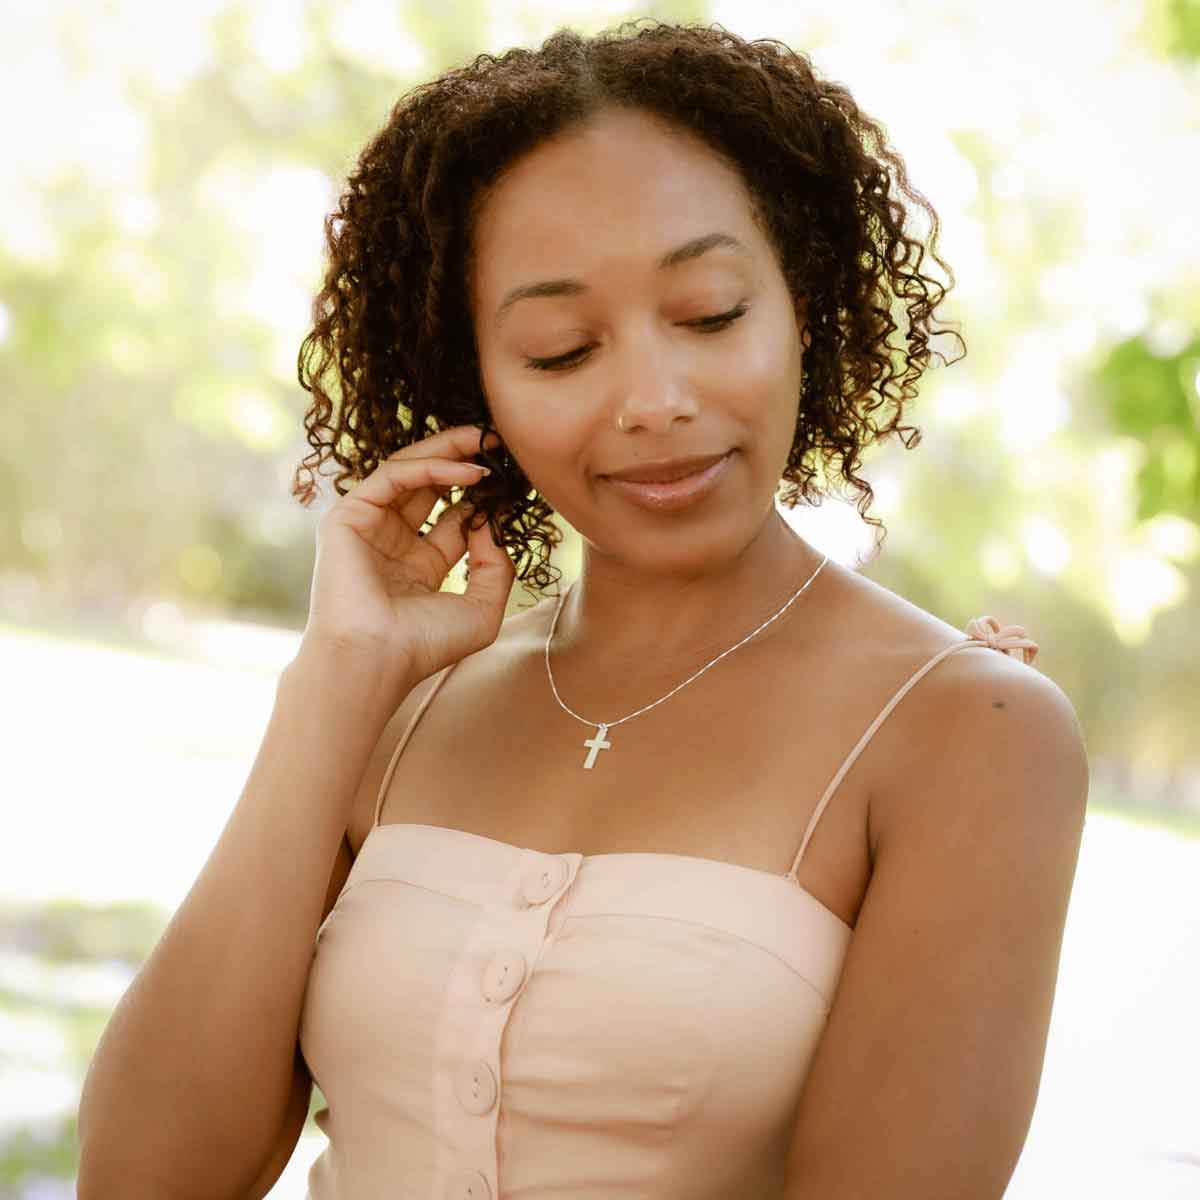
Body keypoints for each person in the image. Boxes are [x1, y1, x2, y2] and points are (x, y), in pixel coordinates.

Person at [76, 19, 1089, 1200]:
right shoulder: (409, 700)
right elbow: (143, 1179)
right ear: (479, 385)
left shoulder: (968, 733)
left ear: (802, 305)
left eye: (710, 314)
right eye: (561, 351)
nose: (655, 401)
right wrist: (335, 688)